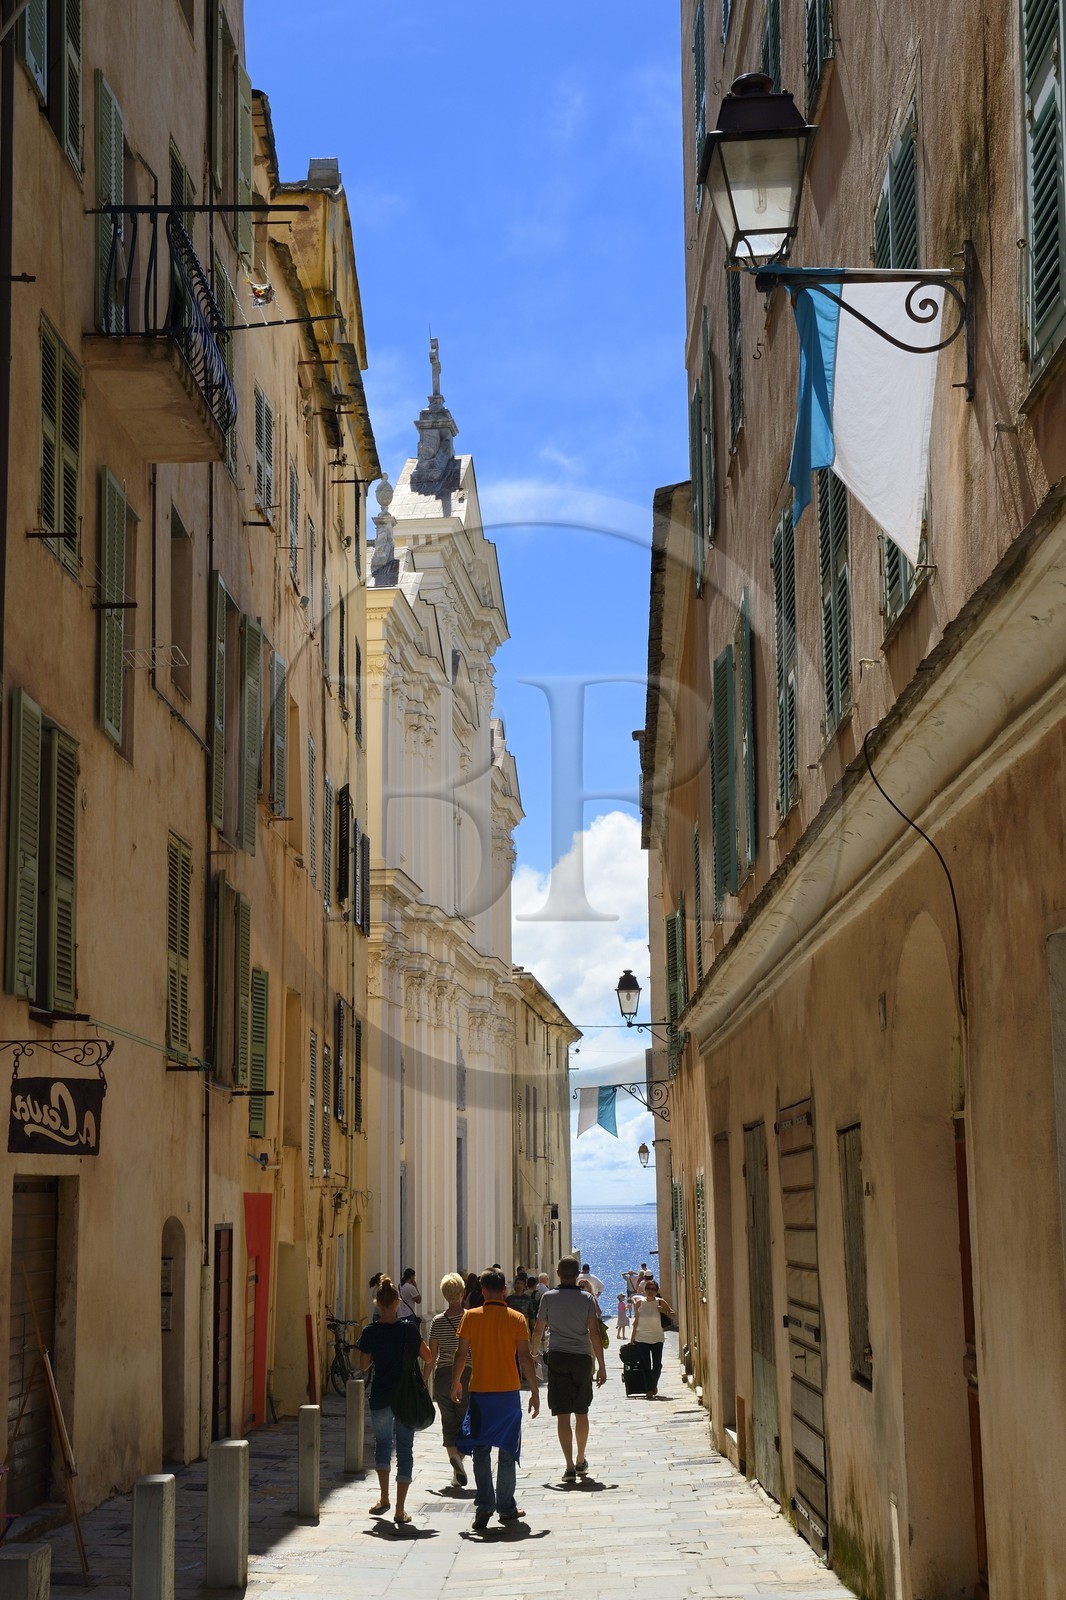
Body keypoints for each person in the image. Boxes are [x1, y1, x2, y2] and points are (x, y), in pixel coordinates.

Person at [451, 1267, 540, 1529]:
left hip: (480, 1392)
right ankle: (506, 1506)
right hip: (508, 1393)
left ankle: (484, 1505)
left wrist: (456, 1381)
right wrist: (534, 1391)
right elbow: (524, 1357)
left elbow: (461, 1352)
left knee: (481, 1450)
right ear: (504, 1291)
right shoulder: (516, 1318)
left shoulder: (471, 1317)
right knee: (507, 1450)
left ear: (482, 1290)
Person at [356, 1276, 432, 1524]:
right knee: (405, 1450)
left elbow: (364, 1366)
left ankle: (384, 1497)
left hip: (380, 1395)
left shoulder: (370, 1332)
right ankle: (400, 1509)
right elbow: (428, 1357)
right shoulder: (408, 1330)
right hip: (406, 1397)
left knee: (383, 1445)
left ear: (377, 1303)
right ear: (398, 1301)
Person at [531, 1256, 606, 1482]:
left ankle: (569, 1465)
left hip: (558, 1357)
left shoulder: (548, 1298)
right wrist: (601, 1365)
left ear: (557, 1273)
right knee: (582, 1411)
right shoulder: (587, 1299)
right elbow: (594, 1333)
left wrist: (533, 1353)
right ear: (577, 1276)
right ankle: (582, 1458)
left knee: (562, 1415)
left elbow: (538, 1330)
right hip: (582, 1358)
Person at [423, 1273, 471, 1487]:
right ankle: (458, 1461)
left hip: (442, 1376)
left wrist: (424, 1381)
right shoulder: (470, 1318)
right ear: (462, 1294)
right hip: (467, 1374)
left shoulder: (437, 1322)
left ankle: (455, 1467)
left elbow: (431, 1358)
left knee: (448, 1421)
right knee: (466, 1421)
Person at [630, 1276, 674, 1399]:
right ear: (645, 1289)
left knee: (657, 1365)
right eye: (648, 1288)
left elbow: (673, 1314)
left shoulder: (660, 1302)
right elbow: (636, 1321)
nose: (650, 1291)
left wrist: (663, 1311)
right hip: (642, 1338)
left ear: (656, 1291)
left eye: (653, 1289)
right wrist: (632, 1338)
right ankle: (649, 1389)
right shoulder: (639, 1303)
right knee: (645, 1364)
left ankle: (653, 1384)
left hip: (657, 1338)